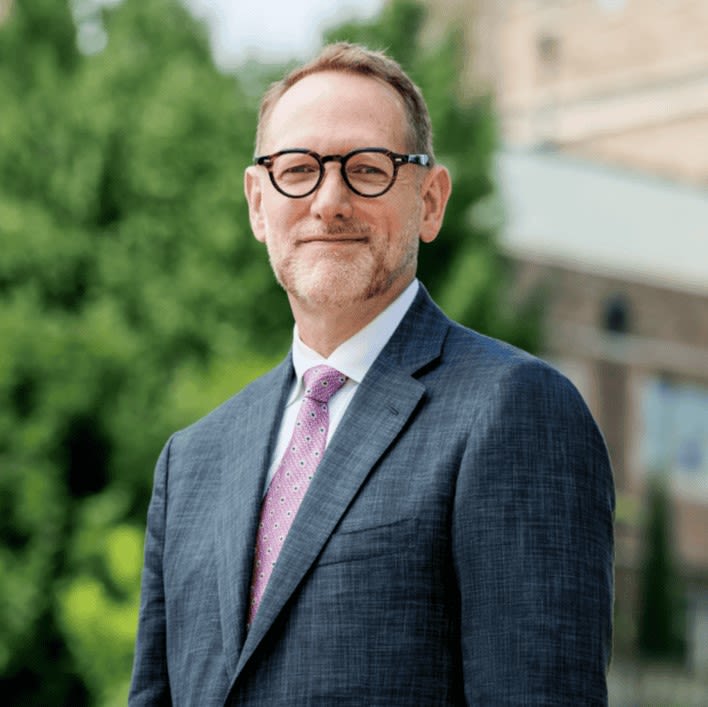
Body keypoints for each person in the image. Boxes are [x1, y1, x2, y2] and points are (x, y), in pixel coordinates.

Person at [129, 42, 615, 706]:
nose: (329, 201)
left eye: (367, 168)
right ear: (257, 204)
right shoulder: (191, 463)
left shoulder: (515, 411)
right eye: (297, 170)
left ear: (430, 201)